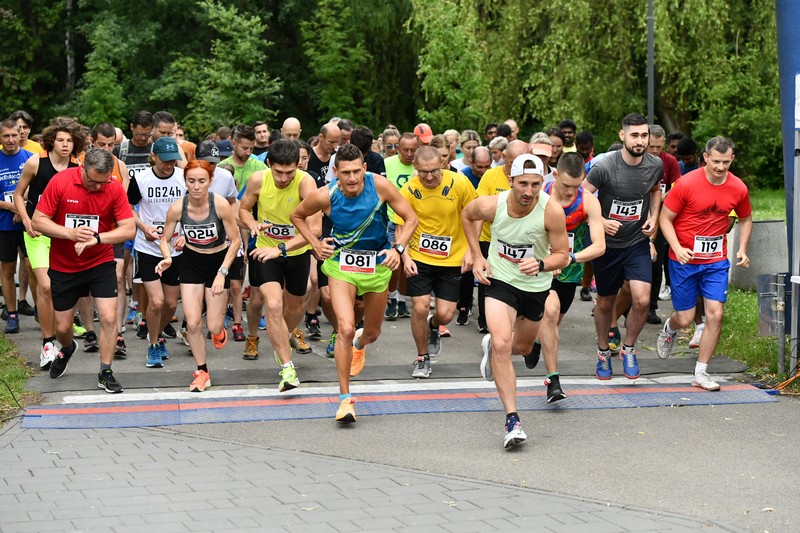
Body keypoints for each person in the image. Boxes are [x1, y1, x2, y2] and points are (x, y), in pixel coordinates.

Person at [290, 143, 417, 423]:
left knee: (371, 333)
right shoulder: (325, 195)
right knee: (345, 328)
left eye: (356, 172)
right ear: (335, 172)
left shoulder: (381, 186)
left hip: (377, 263)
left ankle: (361, 343)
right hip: (341, 264)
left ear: (365, 169)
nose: (351, 178)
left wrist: (398, 248)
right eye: (345, 172)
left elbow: (410, 218)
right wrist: (315, 244)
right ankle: (345, 400)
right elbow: (296, 216)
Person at [463, 154, 569, 448]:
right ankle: (512, 420)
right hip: (500, 279)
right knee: (501, 344)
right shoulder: (491, 204)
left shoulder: (552, 211)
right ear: (510, 180)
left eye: (536, 184)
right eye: (523, 183)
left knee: (520, 347)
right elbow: (467, 216)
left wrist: (542, 264)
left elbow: (562, 254)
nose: (528, 191)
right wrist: (477, 255)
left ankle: (495, 348)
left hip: (535, 285)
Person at [32, 149, 135, 392]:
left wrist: (98, 238)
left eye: (104, 181)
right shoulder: (61, 182)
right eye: (93, 181)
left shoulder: (114, 188)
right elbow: (38, 220)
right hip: (64, 265)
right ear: (82, 168)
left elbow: (128, 229)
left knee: (109, 318)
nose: (98, 186)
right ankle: (67, 349)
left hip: (99, 262)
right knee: (63, 328)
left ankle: (105, 371)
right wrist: (70, 233)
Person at [656, 137, 751, 391]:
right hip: (684, 259)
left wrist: (742, 248)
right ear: (706, 158)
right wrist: (677, 248)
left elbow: (745, 217)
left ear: (732, 159)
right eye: (716, 161)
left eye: (726, 162)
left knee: (715, 315)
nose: (720, 167)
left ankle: (701, 372)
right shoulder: (686, 184)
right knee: (686, 318)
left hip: (715, 261)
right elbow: (665, 219)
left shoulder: (738, 188)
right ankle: (670, 327)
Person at [583, 113, 663, 380]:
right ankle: (603, 352)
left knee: (641, 299)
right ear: (622, 136)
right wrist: (601, 220)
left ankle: (628, 348)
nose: (640, 141)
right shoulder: (605, 166)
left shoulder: (655, 164)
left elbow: (655, 190)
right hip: (607, 246)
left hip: (636, 242)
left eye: (644, 135)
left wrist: (654, 216)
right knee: (605, 302)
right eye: (634, 135)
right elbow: (581, 194)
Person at [238, 139, 321, 392]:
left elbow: (315, 228)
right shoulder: (257, 180)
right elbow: (242, 210)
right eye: (279, 172)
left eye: (290, 172)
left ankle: (280, 340)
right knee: (272, 304)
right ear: (269, 165)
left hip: (296, 251)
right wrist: (251, 224)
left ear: (298, 166)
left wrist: (282, 248)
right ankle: (287, 368)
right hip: (265, 250)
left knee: (295, 306)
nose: (284, 178)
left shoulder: (306, 182)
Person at [156, 160, 240, 392]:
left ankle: (218, 330)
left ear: (210, 182)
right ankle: (202, 371)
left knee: (212, 326)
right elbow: (165, 238)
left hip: (218, 262)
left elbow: (236, 241)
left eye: (202, 181)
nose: (196, 186)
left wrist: (223, 272)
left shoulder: (220, 205)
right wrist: (168, 257)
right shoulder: (178, 207)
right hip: (191, 262)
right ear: (185, 182)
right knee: (192, 324)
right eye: (191, 181)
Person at [531, 152, 606, 402]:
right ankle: (553, 381)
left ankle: (537, 344)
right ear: (554, 176)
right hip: (538, 266)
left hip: (569, 270)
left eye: (576, 186)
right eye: (565, 186)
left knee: (552, 322)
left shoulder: (588, 201)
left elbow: (599, 246)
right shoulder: (537, 194)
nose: (569, 192)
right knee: (549, 313)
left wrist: (569, 259)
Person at [398, 146, 477, 377]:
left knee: (446, 315)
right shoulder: (409, 189)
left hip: (452, 258)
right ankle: (422, 358)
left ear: (442, 164)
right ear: (415, 168)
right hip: (419, 257)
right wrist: (405, 255)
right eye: (424, 172)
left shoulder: (459, 183)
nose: (430, 177)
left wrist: (472, 251)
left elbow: (475, 215)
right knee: (420, 307)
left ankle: (434, 326)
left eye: (434, 171)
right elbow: (400, 224)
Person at [14, 117, 84, 370]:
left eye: (69, 141)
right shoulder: (36, 162)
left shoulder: (78, 168)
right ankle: (47, 342)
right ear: (51, 141)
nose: (65, 145)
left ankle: (64, 334)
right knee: (44, 285)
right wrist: (25, 219)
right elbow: (18, 194)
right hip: (37, 232)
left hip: (64, 233)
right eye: (60, 140)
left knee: (61, 288)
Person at [128, 136, 187, 368]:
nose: (168, 165)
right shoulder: (140, 179)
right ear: (153, 157)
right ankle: (153, 344)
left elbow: (193, 209)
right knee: (156, 301)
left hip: (176, 248)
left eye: (172, 161)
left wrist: (185, 234)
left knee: (171, 304)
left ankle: (159, 333)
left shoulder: (184, 178)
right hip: (148, 247)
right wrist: (144, 227)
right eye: (164, 161)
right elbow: (127, 209)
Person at [474, 140, 530, 333]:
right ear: (504, 157)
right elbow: (478, 210)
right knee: (489, 280)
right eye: (513, 161)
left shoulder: (531, 177)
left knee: (517, 278)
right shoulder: (491, 175)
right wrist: (473, 249)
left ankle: (514, 318)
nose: (517, 166)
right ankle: (486, 320)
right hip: (489, 239)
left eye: (522, 161)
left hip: (521, 240)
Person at [0, 119, 33, 334]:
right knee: (8, 268)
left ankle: (42, 309)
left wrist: (21, 209)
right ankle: (12, 314)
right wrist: (12, 207)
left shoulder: (30, 158)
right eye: (6, 136)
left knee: (33, 267)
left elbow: (36, 186)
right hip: (4, 223)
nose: (11, 140)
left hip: (27, 221)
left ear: (20, 133)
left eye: (15, 134)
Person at [383, 132, 418, 319]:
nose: (409, 154)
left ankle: (403, 300)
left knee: (408, 262)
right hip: (392, 219)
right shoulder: (388, 164)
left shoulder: (421, 166)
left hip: (414, 221)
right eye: (405, 150)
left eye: (413, 150)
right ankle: (392, 299)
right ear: (398, 149)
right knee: (394, 262)